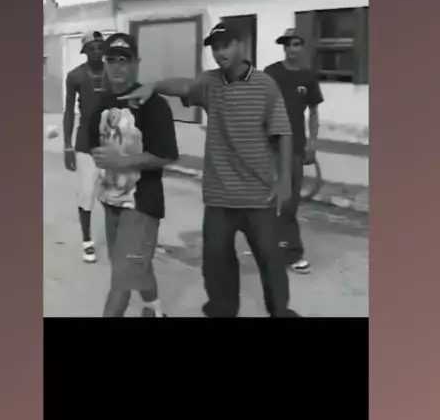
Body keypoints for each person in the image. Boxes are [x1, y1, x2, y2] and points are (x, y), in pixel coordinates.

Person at [129, 22, 298, 318]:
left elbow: (283, 132)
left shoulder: (265, 85)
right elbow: (183, 86)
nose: (220, 53)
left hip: (258, 193)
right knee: (217, 259)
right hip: (219, 194)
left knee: (270, 257)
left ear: (241, 44)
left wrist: (284, 182)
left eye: (226, 45)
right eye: (216, 48)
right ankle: (222, 310)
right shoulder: (210, 83)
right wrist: (153, 85)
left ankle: (280, 311)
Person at [88, 33, 179, 318]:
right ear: (104, 63)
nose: (117, 66)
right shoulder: (102, 102)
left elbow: (167, 155)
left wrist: (123, 161)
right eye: (111, 60)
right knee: (134, 265)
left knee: (122, 280)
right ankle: (155, 308)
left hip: (141, 204)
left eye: (124, 60)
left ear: (136, 63)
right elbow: (93, 143)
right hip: (110, 200)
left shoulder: (153, 104)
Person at [264, 28, 324, 273]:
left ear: (302, 47)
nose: (291, 49)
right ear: (284, 48)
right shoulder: (271, 73)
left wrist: (312, 143)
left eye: (296, 44)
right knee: (280, 199)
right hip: (272, 145)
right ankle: (291, 252)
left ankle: (275, 244)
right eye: (287, 44)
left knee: (291, 201)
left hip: (296, 146)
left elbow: (314, 112)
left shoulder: (308, 77)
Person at [63, 31, 109, 263]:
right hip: (85, 144)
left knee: (116, 193)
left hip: (111, 142)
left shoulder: (113, 72)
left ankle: (119, 238)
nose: (97, 52)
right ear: (84, 51)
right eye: (92, 48)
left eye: (100, 47)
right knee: (87, 193)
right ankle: (87, 241)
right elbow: (69, 112)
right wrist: (67, 146)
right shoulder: (75, 76)